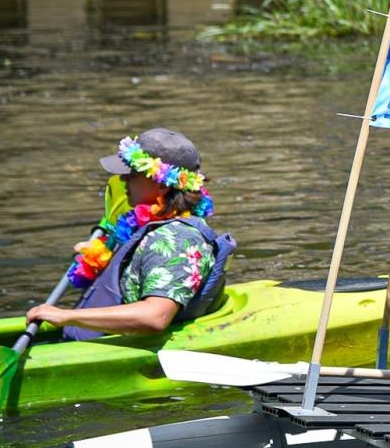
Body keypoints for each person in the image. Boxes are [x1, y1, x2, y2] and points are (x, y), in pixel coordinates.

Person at [26, 129, 236, 340]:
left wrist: (66, 316)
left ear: (162, 186)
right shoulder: (150, 225)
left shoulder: (176, 240)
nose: (123, 180)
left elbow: (155, 316)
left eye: (132, 174)